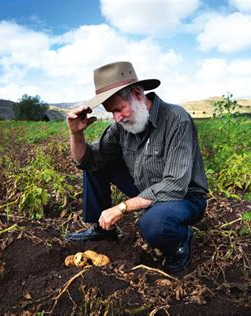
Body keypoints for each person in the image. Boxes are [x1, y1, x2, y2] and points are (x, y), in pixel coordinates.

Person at [65, 61, 209, 273]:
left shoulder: (177, 120)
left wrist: (122, 207)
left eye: (119, 109)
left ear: (137, 94)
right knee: (98, 164)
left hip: (185, 197)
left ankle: (180, 244)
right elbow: (88, 161)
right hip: (145, 188)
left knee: (153, 223)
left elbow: (175, 185)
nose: (117, 118)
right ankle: (102, 229)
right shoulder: (121, 126)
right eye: (111, 112)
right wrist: (76, 134)